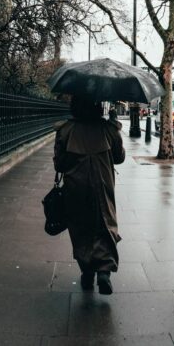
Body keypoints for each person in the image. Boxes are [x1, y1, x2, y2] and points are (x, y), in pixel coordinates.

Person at [53, 95, 125, 295]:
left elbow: (59, 164)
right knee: (105, 222)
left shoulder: (65, 130)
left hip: (76, 187)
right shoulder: (107, 129)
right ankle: (104, 270)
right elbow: (119, 158)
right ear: (96, 107)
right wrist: (113, 125)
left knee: (80, 227)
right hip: (103, 185)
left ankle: (87, 271)